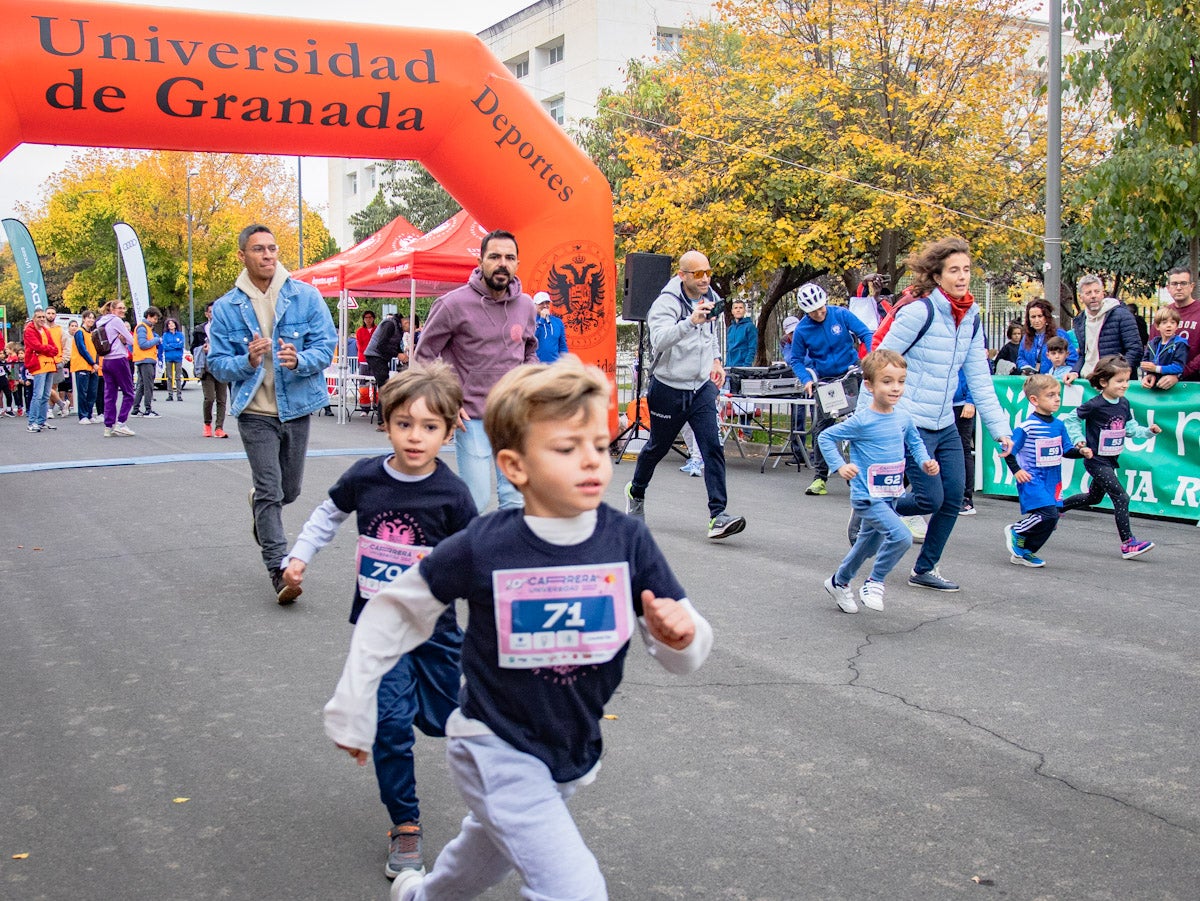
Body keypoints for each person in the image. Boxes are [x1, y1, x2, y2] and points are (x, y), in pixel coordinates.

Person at [323, 356, 714, 901]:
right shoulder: (486, 545)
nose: (591, 462)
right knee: (573, 890)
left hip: (571, 751)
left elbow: (681, 649)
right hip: (492, 744)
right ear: (515, 466)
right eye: (566, 448)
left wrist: (684, 636)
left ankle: (421, 896)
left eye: (599, 446)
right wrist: (353, 704)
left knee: (484, 855)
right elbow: (392, 609)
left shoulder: (625, 540)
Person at [282, 363, 475, 882]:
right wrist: (300, 556)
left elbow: (476, 556)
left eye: (430, 426)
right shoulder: (366, 476)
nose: (416, 437)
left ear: (450, 430)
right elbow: (328, 514)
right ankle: (405, 824)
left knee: (443, 721)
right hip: (380, 631)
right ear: (386, 423)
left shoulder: (453, 495)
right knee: (391, 727)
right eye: (405, 424)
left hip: (435, 634)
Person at [207, 223, 338, 604]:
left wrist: (300, 359)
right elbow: (217, 364)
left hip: (296, 407)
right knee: (270, 489)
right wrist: (247, 361)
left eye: (272, 248)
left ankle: (262, 510)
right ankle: (279, 571)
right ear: (242, 256)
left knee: (289, 490)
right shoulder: (228, 307)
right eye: (259, 249)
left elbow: (325, 346)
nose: (268, 255)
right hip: (254, 410)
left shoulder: (305, 297)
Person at [876, 237, 1014, 592]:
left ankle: (925, 569)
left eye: (967, 270)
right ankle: (874, 511)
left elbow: (979, 376)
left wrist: (1000, 428)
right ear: (937, 276)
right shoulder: (919, 312)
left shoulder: (971, 315)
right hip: (910, 421)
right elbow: (878, 365)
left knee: (953, 498)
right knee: (929, 499)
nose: (963, 277)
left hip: (945, 422)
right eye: (954, 270)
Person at [624, 250, 747, 540]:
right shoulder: (665, 304)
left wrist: (716, 361)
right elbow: (660, 340)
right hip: (668, 387)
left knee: (712, 447)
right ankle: (636, 491)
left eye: (708, 272)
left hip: (701, 387)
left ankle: (718, 515)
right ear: (683, 275)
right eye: (698, 274)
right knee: (657, 447)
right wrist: (690, 321)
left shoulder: (711, 297)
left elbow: (712, 336)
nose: (705, 279)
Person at [414, 228, 537, 513]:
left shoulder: (527, 306)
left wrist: (528, 382)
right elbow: (424, 354)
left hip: (512, 415)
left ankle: (505, 556)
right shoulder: (452, 304)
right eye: (494, 256)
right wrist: (446, 400)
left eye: (509, 257)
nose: (502, 263)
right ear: (480, 261)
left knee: (516, 499)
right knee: (476, 501)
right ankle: (458, 553)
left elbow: (530, 351)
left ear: (518, 264)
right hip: (472, 417)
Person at [818, 349, 937, 614]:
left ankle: (838, 581)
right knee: (902, 537)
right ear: (869, 386)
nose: (896, 388)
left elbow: (915, 443)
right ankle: (875, 582)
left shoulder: (903, 417)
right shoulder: (862, 420)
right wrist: (840, 465)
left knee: (866, 546)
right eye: (887, 381)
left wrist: (925, 461)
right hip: (867, 496)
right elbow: (826, 437)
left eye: (901, 381)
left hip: (890, 494)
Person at [1061, 355, 1161, 559]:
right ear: (1104, 382)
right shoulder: (1095, 404)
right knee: (1121, 497)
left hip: (1110, 459)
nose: (1125, 385)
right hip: (1095, 460)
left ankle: (1057, 508)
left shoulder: (1123, 403)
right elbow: (1071, 419)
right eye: (1120, 381)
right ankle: (1128, 544)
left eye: (1127, 380)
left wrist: (1149, 431)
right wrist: (1080, 441)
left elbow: (1131, 429)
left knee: (1093, 498)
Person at [785, 283, 874, 497]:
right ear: (806, 312)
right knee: (822, 428)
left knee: (860, 423)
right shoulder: (803, 330)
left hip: (851, 373)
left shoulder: (840, 314)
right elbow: (796, 358)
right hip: (826, 381)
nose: (819, 313)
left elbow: (865, 333)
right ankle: (820, 477)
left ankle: (861, 475)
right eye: (814, 311)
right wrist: (806, 378)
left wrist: (870, 357)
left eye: (821, 307)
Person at [1002, 373, 1087, 568]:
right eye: (1050, 395)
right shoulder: (1027, 427)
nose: (1057, 398)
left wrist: (1082, 451)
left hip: (1053, 480)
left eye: (1058, 394)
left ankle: (1025, 552)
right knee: (1047, 514)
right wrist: (1016, 471)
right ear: (1034, 400)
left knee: (1053, 518)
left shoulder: (1059, 425)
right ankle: (1017, 530)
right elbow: (1008, 450)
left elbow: (1066, 450)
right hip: (1032, 478)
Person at [1064, 275, 1143, 385]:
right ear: (1080, 297)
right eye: (1088, 293)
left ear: (1103, 293)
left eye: (1097, 291)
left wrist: (1114, 374)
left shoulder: (1122, 315)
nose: (1093, 296)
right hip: (1087, 382)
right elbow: (1085, 354)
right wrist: (1074, 372)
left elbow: (1135, 351)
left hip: (1115, 384)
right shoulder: (1080, 320)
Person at [1151, 266, 1200, 384]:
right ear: (1168, 288)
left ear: (1191, 286)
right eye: (1174, 284)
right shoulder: (1163, 314)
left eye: (1183, 283)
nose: (1179, 288)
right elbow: (1152, 347)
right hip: (1163, 380)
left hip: (1195, 381)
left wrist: (1180, 374)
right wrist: (1152, 373)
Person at [96, 299, 138, 437]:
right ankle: (121, 423)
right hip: (119, 359)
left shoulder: (101, 321)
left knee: (110, 394)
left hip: (106, 360)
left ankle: (108, 426)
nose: (123, 310)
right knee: (129, 392)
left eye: (124, 308)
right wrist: (125, 339)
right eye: (120, 308)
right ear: (113, 309)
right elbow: (131, 340)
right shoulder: (116, 321)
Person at [193, 301, 229, 438]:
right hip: (207, 367)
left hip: (222, 367)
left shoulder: (225, 329)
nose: (214, 314)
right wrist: (202, 349)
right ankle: (207, 424)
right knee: (209, 398)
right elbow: (193, 348)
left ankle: (219, 427)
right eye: (211, 311)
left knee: (222, 399)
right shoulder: (200, 330)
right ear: (206, 314)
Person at [1017, 298, 1077, 374]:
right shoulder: (1026, 337)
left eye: (1040, 316)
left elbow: (1072, 359)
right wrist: (1024, 366)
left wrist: (1062, 373)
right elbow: (1020, 358)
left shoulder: (1060, 334)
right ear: (1028, 319)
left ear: (1046, 317)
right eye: (1033, 317)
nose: (1036, 320)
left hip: (1054, 381)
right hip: (1032, 381)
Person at [23, 309, 58, 433]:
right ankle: (31, 422)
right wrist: (48, 349)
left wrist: (45, 350)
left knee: (46, 395)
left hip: (49, 365)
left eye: (43, 317)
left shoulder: (46, 330)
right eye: (39, 317)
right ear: (34, 318)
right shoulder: (29, 330)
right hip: (38, 365)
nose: (42, 319)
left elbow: (55, 349)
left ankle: (41, 421)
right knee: (37, 394)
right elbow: (35, 346)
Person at [1140, 306, 1189, 390]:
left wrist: (1156, 369)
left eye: (1172, 322)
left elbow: (1179, 367)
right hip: (1154, 385)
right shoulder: (1152, 344)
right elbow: (1145, 362)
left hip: (1173, 387)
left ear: (1177, 326)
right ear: (1157, 326)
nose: (1169, 325)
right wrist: (1148, 375)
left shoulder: (1180, 343)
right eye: (1164, 322)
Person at [70, 310, 101, 424]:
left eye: (93, 318)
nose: (91, 320)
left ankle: (89, 413)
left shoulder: (92, 333)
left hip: (92, 366)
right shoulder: (79, 332)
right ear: (83, 319)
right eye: (89, 318)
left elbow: (95, 350)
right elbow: (82, 349)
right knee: (83, 392)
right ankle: (82, 415)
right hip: (82, 365)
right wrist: (93, 362)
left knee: (92, 392)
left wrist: (95, 363)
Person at [131, 305, 162, 417]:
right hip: (146, 359)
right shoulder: (143, 327)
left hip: (142, 359)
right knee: (148, 385)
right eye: (154, 318)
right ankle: (148, 409)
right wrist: (156, 340)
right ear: (149, 316)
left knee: (142, 385)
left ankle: (135, 409)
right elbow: (143, 344)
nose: (155, 321)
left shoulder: (145, 327)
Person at [533, 291, 569, 363]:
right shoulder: (530, 320)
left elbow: (562, 346)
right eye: (541, 303)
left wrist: (565, 362)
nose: (545, 305)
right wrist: (542, 319)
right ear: (534, 305)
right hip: (535, 366)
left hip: (554, 367)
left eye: (547, 303)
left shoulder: (558, 322)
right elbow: (533, 337)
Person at [724, 298, 757, 368]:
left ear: (744, 310)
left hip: (743, 366)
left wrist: (746, 365)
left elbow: (752, 348)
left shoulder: (750, 326)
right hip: (729, 367)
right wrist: (726, 365)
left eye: (741, 308)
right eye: (736, 308)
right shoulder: (730, 329)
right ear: (732, 311)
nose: (738, 310)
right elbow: (728, 349)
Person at [161, 317, 185, 401]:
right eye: (169, 324)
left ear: (175, 325)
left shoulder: (180, 334)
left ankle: (179, 394)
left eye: (172, 323)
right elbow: (165, 346)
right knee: (169, 377)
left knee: (178, 376)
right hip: (168, 357)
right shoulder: (165, 335)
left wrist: (171, 345)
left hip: (178, 357)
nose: (171, 325)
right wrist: (175, 345)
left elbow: (181, 345)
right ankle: (170, 394)